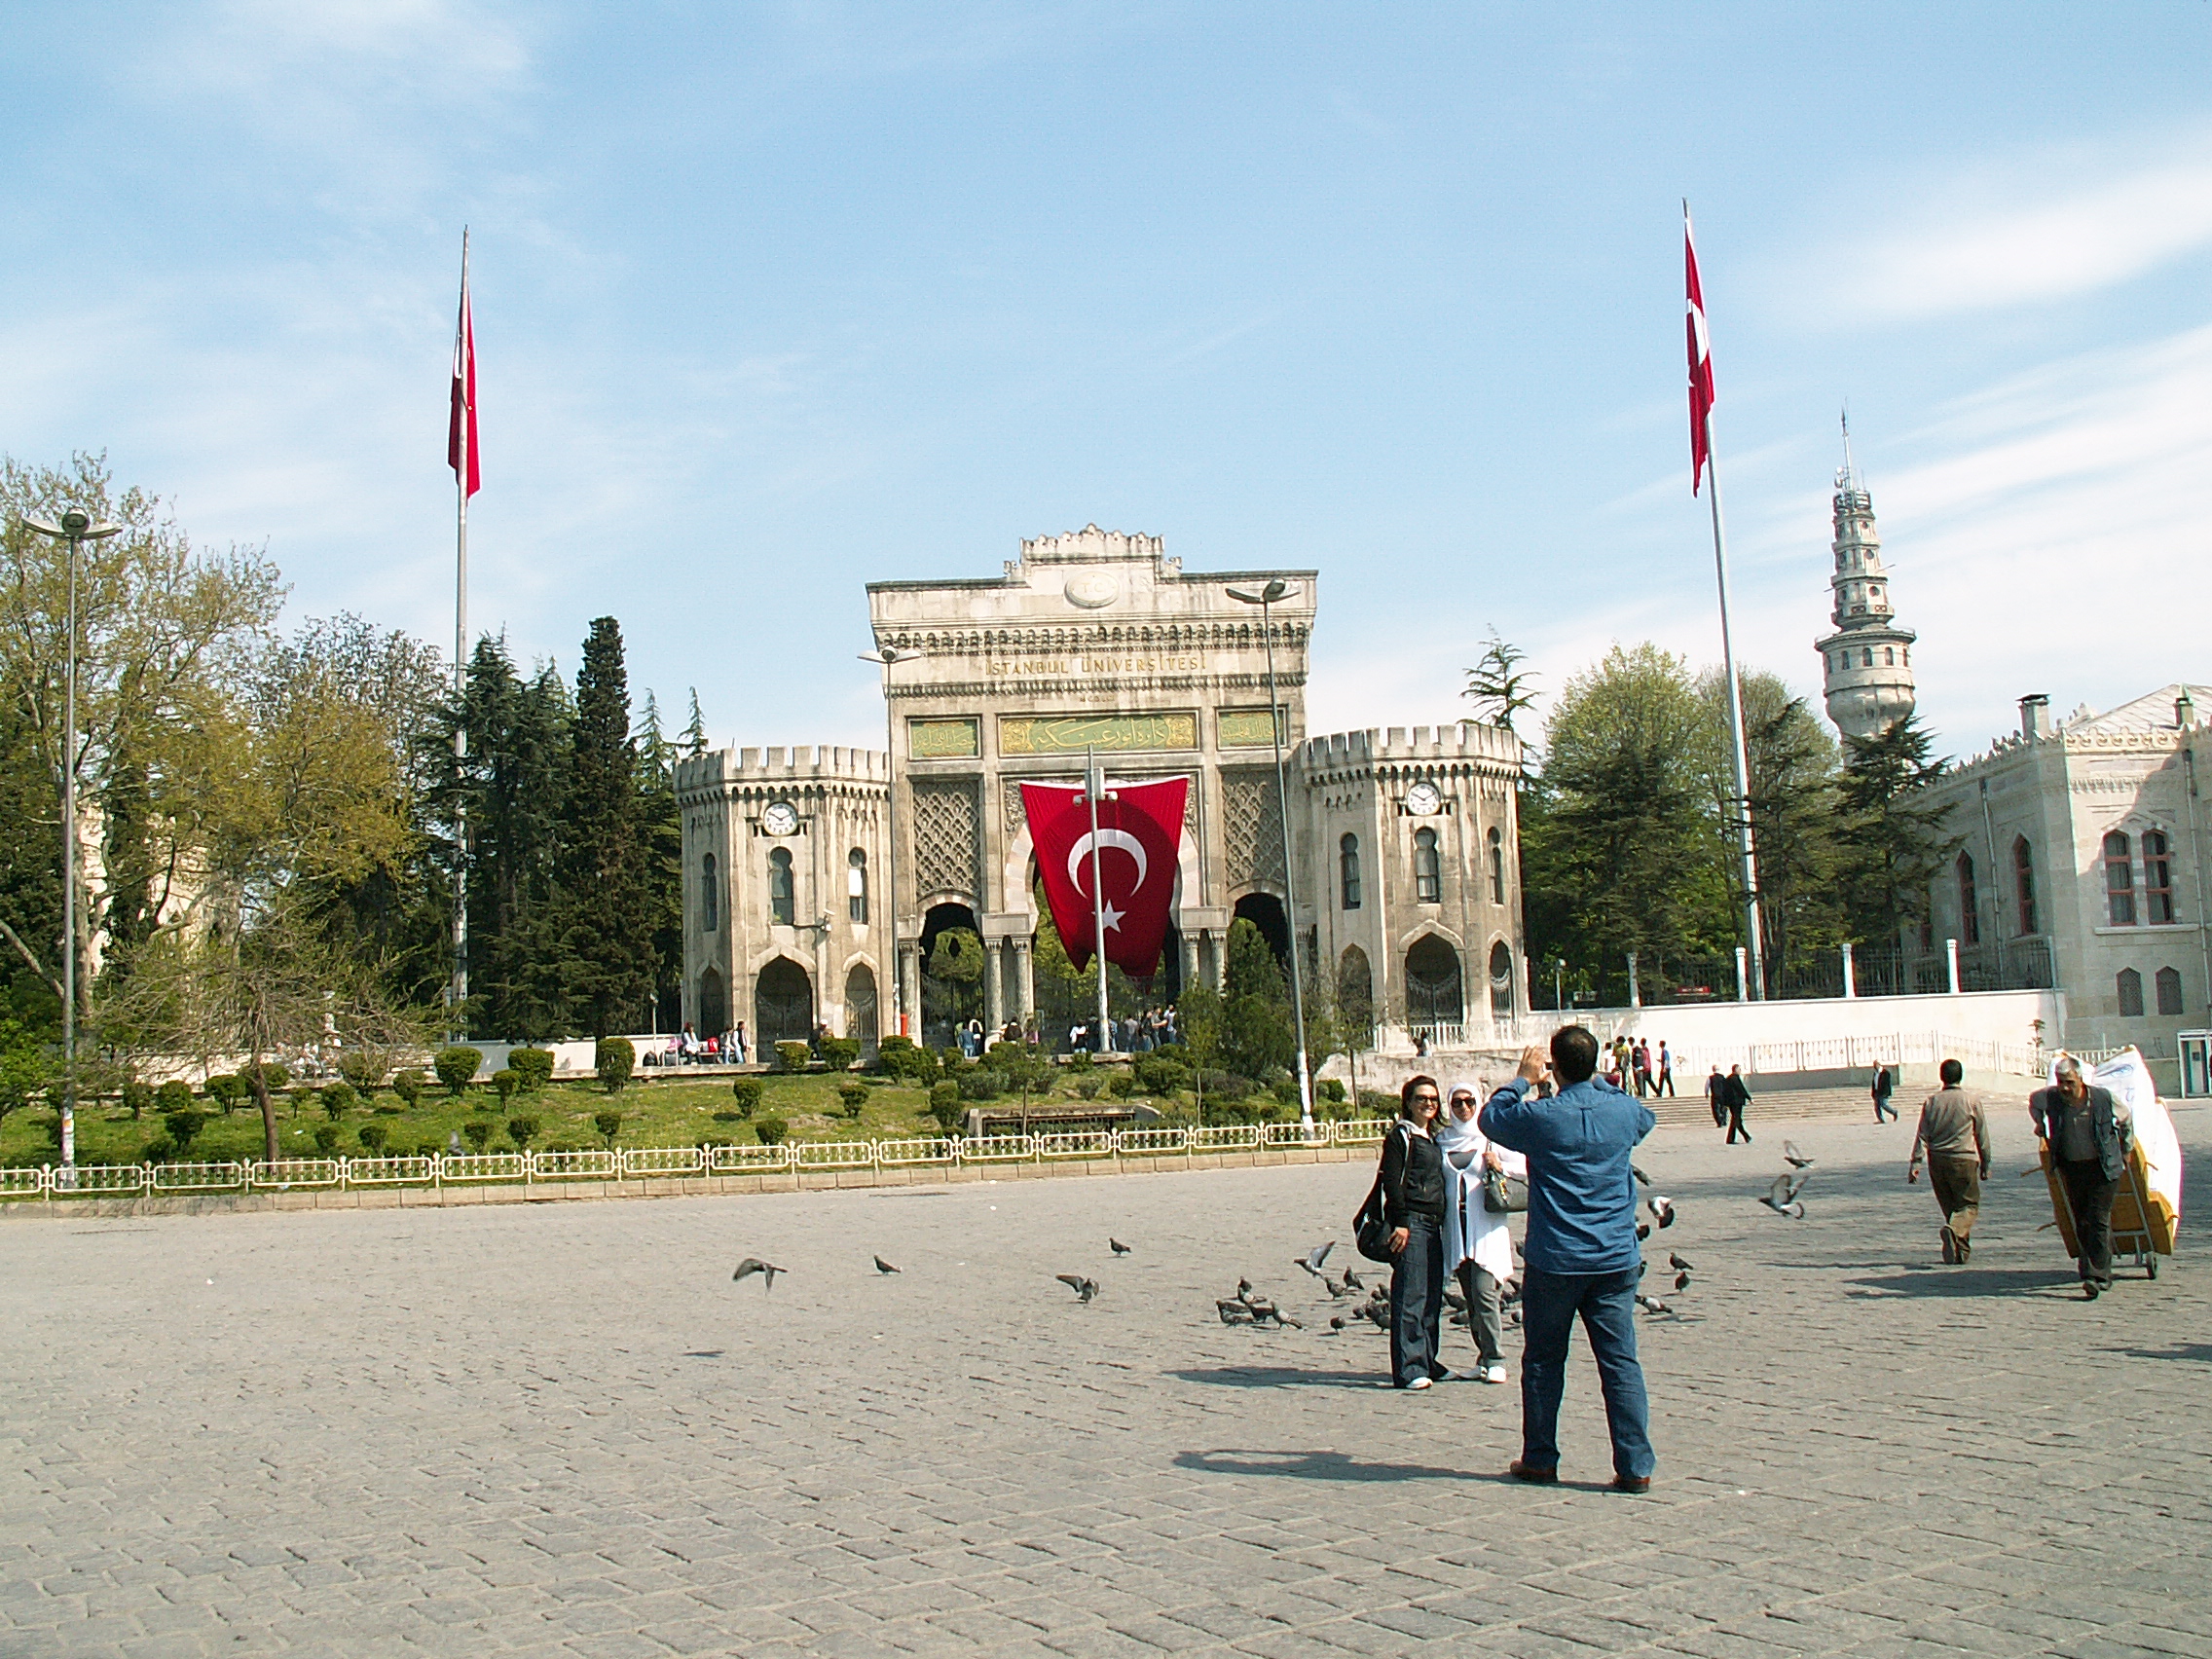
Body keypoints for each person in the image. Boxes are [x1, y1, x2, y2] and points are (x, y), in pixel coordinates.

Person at [1480, 1028, 1657, 1492]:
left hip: (1557, 1257)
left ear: (1554, 1067)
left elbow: (1492, 1119)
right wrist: (1596, 1084)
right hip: (1614, 1256)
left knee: (1543, 1361)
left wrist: (1522, 1079)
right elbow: (1645, 1117)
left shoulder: (1543, 1117)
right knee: (1620, 1363)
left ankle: (1540, 1458)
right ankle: (1635, 1465)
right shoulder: (1621, 1110)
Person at [2030, 1055, 2134, 1299]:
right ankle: (2089, 1269)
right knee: (2082, 1219)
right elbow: (2034, 1102)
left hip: (2103, 1166)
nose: (2065, 1088)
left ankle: (2098, 1276)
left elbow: (2126, 1119)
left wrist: (2126, 1148)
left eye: (2069, 1082)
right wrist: (2039, 1123)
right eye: (2060, 1082)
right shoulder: (2051, 1098)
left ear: (2080, 1079)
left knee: (2097, 1217)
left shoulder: (2103, 1098)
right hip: (2073, 1167)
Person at [1439, 1082, 1522, 1384]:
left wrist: (1501, 1166)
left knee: (1485, 1294)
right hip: (1456, 1231)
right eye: (1457, 1102)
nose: (1464, 1108)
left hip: (1486, 1231)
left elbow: (1526, 1164)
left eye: (1469, 1101)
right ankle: (1484, 1358)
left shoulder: (1490, 1138)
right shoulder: (1442, 1140)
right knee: (1471, 1299)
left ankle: (1496, 1358)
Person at [1380, 1075, 1452, 1390]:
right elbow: (1392, 1182)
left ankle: (1428, 1360)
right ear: (1408, 1102)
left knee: (1432, 1296)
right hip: (1412, 1222)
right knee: (1411, 1295)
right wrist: (1401, 1222)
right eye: (1421, 1098)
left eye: (1433, 1099)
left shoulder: (1433, 1137)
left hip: (1434, 1223)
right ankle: (1409, 1368)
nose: (1428, 1104)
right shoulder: (1401, 1136)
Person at [1908, 1058, 1990, 1263]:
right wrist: (1986, 1162)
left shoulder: (1932, 1102)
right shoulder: (1971, 1101)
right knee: (1968, 1206)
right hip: (1963, 1158)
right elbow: (1981, 1134)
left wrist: (1916, 1163)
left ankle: (1960, 1253)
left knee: (1951, 1209)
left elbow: (1922, 1134)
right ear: (1961, 1076)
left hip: (1937, 1160)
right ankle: (1953, 1232)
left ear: (1941, 1076)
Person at [1720, 1064, 1752, 1144]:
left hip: (1731, 1102)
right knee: (1736, 1120)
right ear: (1735, 1070)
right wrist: (1749, 1098)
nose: (1740, 1071)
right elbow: (1741, 1089)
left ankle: (1746, 1137)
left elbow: (1725, 1091)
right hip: (1737, 1102)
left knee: (1737, 1119)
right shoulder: (1735, 1078)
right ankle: (1730, 1139)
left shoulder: (1728, 1079)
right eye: (1739, 1069)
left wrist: (1725, 1103)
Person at [1706, 1065, 1727, 1129]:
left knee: (1715, 1109)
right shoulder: (1722, 1077)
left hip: (1715, 1095)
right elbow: (1726, 1086)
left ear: (1713, 1069)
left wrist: (1706, 1093)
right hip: (1722, 1095)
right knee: (1723, 1108)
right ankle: (1724, 1120)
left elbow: (1707, 1086)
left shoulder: (1710, 1078)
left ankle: (1719, 1122)